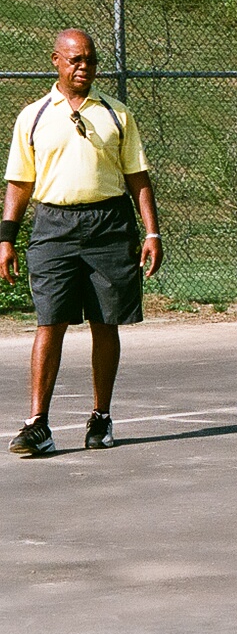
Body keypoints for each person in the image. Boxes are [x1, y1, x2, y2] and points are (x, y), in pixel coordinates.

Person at [2, 29, 162, 456]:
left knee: (105, 321)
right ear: (56, 60)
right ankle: (38, 424)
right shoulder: (33, 116)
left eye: (89, 60)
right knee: (49, 321)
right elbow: (19, 182)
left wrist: (151, 232)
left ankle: (101, 418)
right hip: (53, 226)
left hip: (109, 225)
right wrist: (6, 239)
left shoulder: (116, 114)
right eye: (74, 60)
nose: (83, 67)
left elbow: (137, 179)